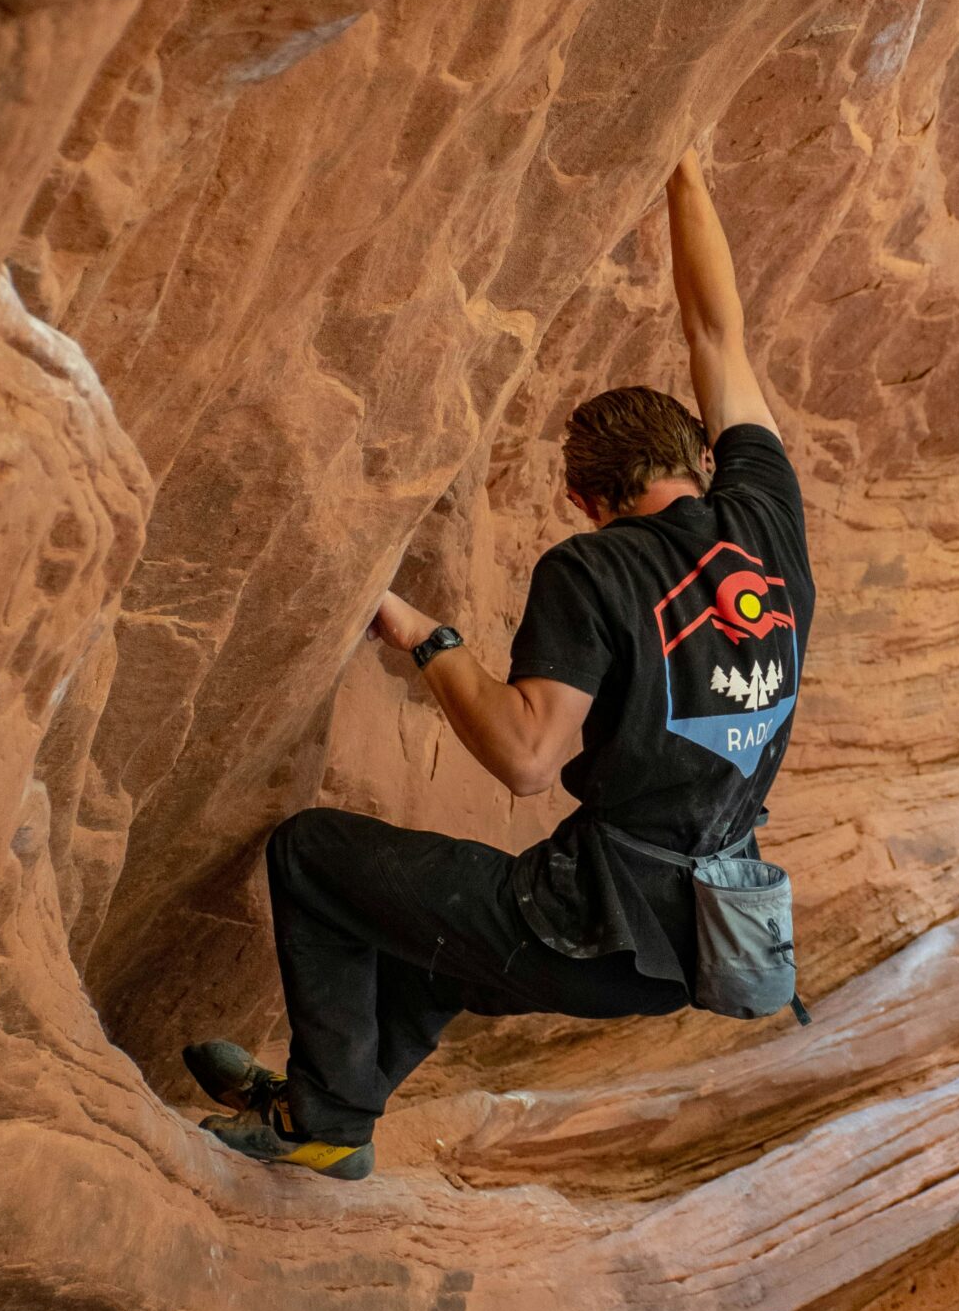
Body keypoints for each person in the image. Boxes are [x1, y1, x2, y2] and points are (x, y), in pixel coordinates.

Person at [185, 148, 814, 1178]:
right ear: (701, 458)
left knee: (312, 854)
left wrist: (425, 640)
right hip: (706, 930)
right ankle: (329, 1106)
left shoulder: (596, 567)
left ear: (584, 499)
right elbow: (717, 332)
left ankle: (320, 1124)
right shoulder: (768, 524)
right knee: (438, 930)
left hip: (594, 927)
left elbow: (527, 755)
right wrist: (687, 168)